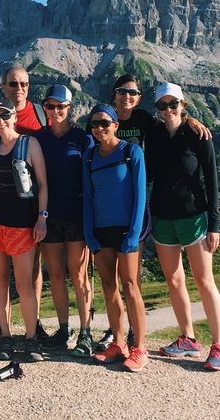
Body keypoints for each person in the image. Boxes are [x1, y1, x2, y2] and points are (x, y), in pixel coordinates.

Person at [94, 74, 212, 351]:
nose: (127, 97)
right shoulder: (103, 119)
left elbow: (171, 120)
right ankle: (115, 333)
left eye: (133, 92)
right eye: (122, 91)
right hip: (108, 207)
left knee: (131, 276)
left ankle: (135, 333)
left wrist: (191, 120)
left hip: (138, 203)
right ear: (114, 94)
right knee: (110, 280)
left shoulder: (146, 120)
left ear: (139, 97)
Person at [144, 83, 220, 371]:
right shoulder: (153, 135)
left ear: (183, 105)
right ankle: (188, 339)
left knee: (205, 282)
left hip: (195, 216)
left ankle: (219, 345)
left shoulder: (198, 134)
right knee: (174, 280)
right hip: (163, 217)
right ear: (156, 109)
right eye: (162, 106)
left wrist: (214, 225)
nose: (168, 110)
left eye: (173, 104)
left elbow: (212, 181)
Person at [0, 66, 49, 344]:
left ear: (14, 116)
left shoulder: (32, 135)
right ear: (3, 86)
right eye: (13, 83)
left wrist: (42, 216)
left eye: (24, 83)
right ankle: (5, 332)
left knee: (28, 279)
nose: (19, 88)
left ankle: (33, 332)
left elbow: (42, 182)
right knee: (0, 280)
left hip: (25, 219)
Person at [83, 104, 149, 372]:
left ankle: (140, 348)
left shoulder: (131, 152)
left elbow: (140, 196)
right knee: (109, 287)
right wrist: (90, 235)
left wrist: (134, 234)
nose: (100, 128)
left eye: (105, 123)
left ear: (115, 125)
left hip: (126, 230)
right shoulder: (89, 157)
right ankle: (118, 343)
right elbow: (88, 198)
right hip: (101, 231)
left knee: (131, 286)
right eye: (95, 124)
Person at [34, 85, 95, 357]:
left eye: (61, 107)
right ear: (44, 108)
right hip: (48, 216)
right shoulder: (37, 139)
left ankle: (86, 333)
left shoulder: (83, 139)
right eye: (51, 106)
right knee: (56, 275)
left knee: (79, 275)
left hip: (77, 215)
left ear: (70, 109)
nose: (56, 111)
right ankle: (63, 329)